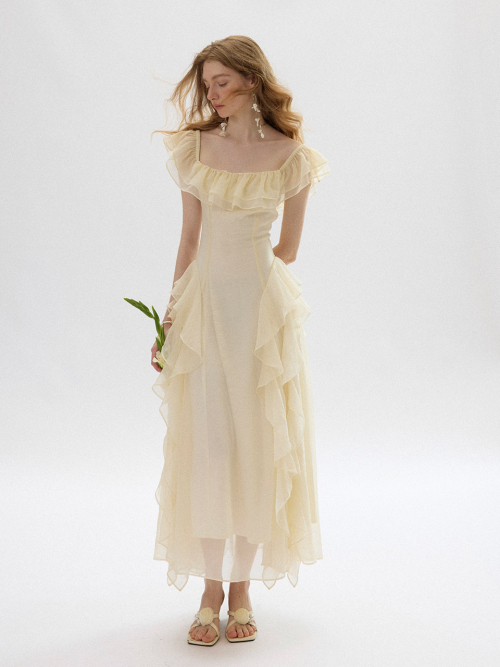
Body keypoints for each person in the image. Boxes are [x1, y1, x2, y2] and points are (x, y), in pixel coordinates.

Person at [150, 35, 330, 646]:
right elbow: (189, 240)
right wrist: (171, 320)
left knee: (258, 446)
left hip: (259, 319)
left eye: (221, 82)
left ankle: (242, 589)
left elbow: (289, 249)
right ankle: (209, 589)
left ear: (252, 80)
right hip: (203, 314)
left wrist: (255, 294)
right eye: (206, 85)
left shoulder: (292, 157)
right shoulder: (195, 149)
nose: (212, 94)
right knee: (210, 448)